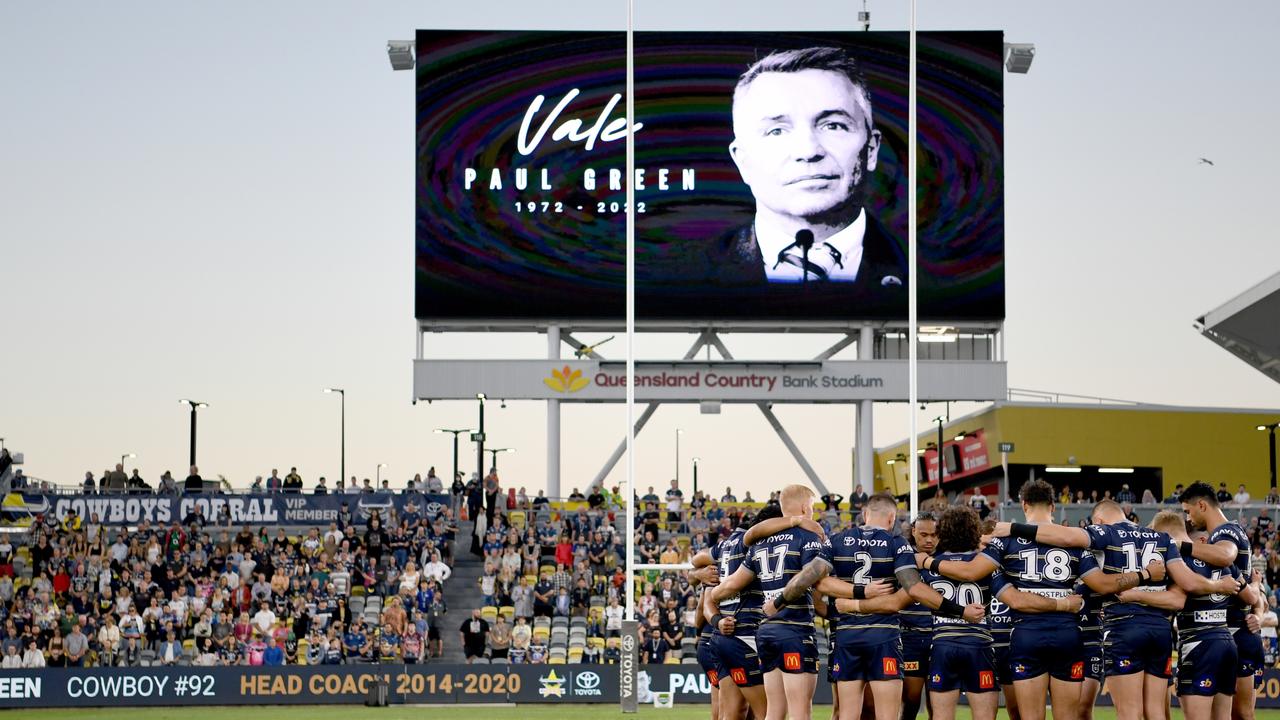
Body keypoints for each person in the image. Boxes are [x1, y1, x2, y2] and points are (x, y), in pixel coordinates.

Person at [991, 499, 1243, 720]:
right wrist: (1218, 584)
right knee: (1157, 712)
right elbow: (1186, 587)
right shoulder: (1161, 537)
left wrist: (1012, 528)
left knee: (1129, 712)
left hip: (1124, 628)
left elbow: (1067, 537)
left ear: (1099, 520)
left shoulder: (1105, 534)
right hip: (1160, 631)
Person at [706, 46, 906, 298]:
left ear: (872, 149)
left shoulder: (932, 271)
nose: (808, 151)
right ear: (742, 161)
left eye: (833, 125)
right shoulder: (688, 273)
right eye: (776, 131)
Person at [924, 480, 1091, 720]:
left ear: (1023, 505)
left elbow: (962, 576)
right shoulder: (1074, 541)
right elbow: (1101, 583)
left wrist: (927, 562)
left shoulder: (998, 545)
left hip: (977, 640)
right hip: (1052, 634)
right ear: (1054, 507)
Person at [708, 484, 830, 720]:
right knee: (799, 710)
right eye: (812, 507)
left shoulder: (759, 544)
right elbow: (813, 577)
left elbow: (732, 584)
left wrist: (713, 594)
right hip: (795, 627)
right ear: (805, 507)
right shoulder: (808, 536)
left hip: (766, 631)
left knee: (773, 711)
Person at [1133, 511, 1259, 720]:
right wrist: (1256, 586)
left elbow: (1178, 598)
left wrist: (1134, 594)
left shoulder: (1179, 562)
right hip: (1227, 642)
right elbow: (1251, 598)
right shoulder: (1224, 562)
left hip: (1198, 644)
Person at [1179, 481, 1266, 720]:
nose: (1188, 518)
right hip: (1237, 633)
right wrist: (1257, 610)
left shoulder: (1223, 534)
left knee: (1240, 714)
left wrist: (1180, 545)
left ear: (1201, 505)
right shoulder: (1234, 531)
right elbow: (1256, 595)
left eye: (1188, 511)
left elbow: (1225, 555)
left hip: (1235, 631)